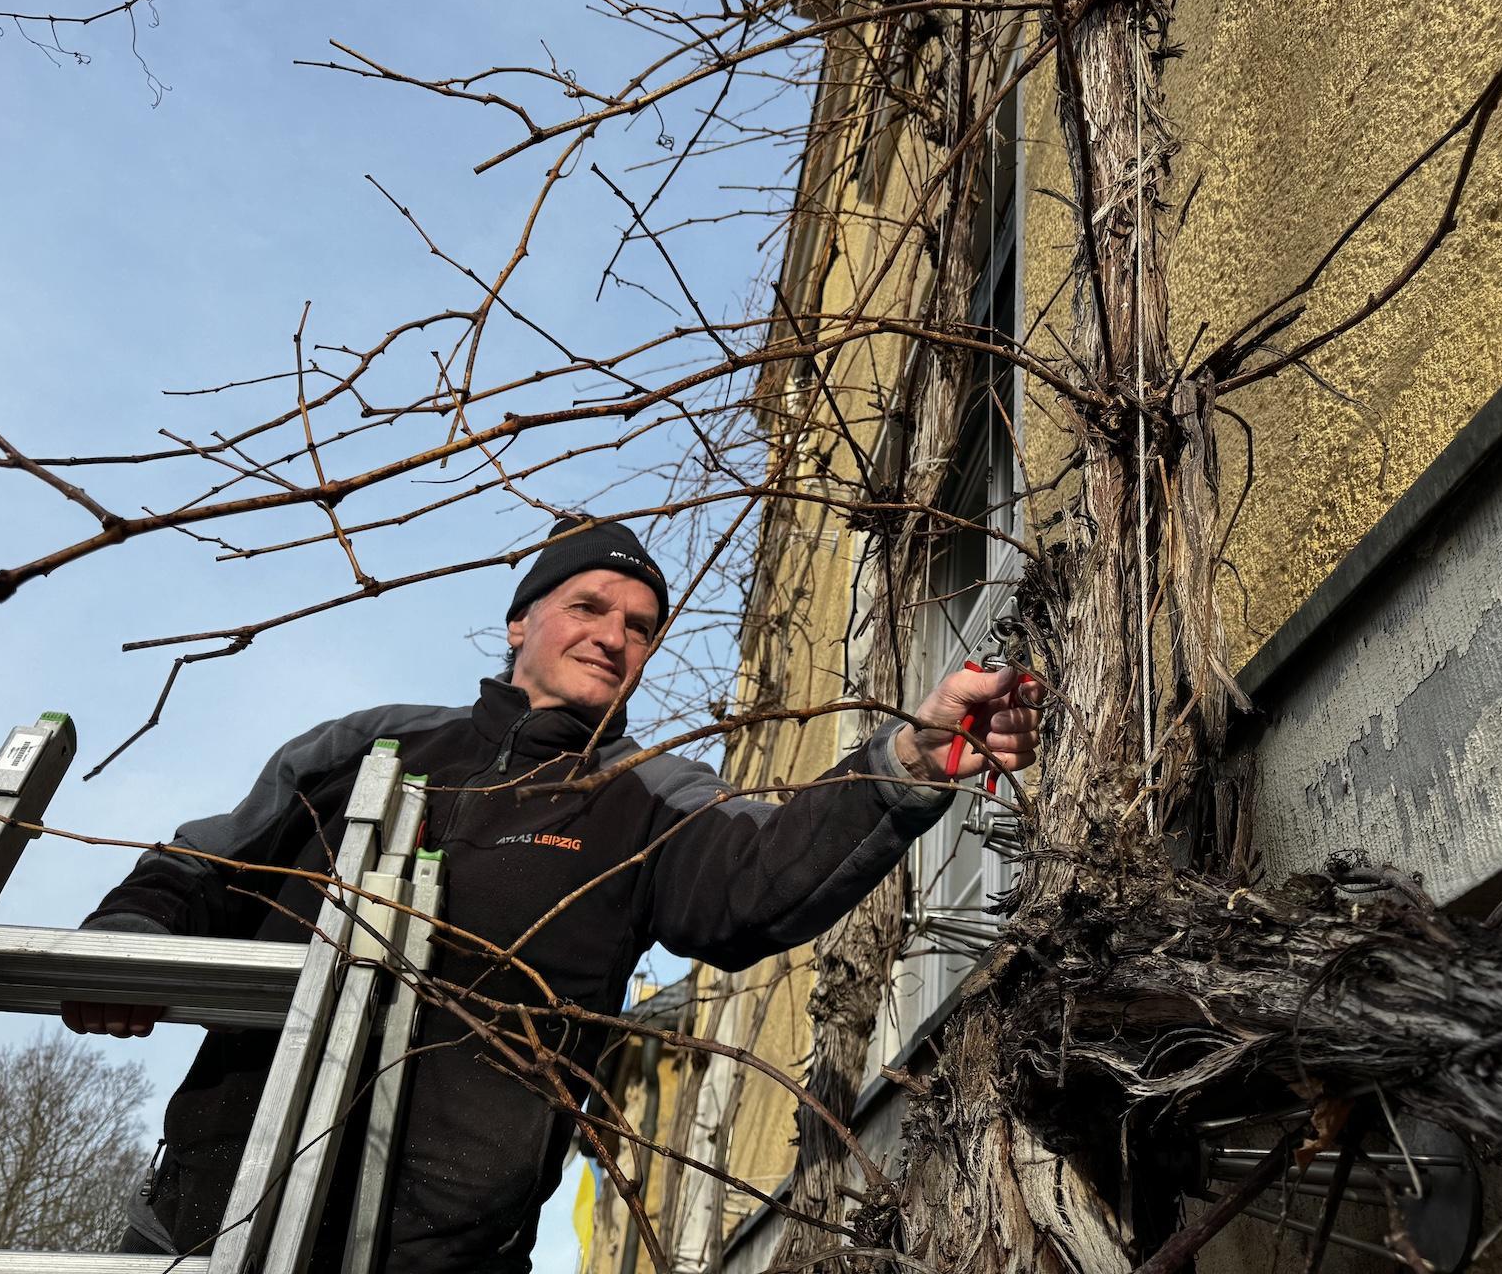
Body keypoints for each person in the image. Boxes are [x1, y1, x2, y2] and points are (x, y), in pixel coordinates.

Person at [64, 517, 1039, 1272]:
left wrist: (911, 756)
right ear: (520, 622)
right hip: (205, 1227)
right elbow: (207, 866)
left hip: (444, 1258)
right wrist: (124, 943)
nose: (613, 637)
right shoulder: (370, 745)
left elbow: (764, 878)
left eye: (639, 628)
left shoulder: (647, 794)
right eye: (588, 608)